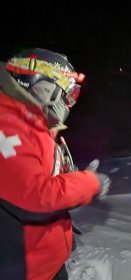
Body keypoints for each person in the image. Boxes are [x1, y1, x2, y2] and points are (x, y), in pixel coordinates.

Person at [0, 48, 111, 280]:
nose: (69, 102)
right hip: (19, 270)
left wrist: (73, 180)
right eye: (68, 92)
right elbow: (35, 195)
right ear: (43, 85)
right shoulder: (6, 123)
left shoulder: (31, 124)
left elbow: (41, 180)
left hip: (42, 264)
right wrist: (90, 183)